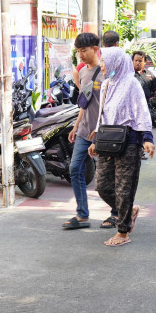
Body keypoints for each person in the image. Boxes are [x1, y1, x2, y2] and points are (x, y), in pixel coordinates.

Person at [88, 47, 155, 247]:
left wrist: (147, 138)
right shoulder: (107, 84)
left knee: (124, 189)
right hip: (108, 142)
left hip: (130, 142)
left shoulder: (132, 84)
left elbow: (142, 111)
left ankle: (123, 232)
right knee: (102, 186)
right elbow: (103, 115)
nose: (102, 65)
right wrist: (95, 140)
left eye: (104, 61)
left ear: (116, 62)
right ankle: (130, 210)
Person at [62, 33, 118, 230]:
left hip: (103, 133)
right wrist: (76, 126)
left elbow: (111, 106)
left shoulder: (107, 72)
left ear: (96, 49)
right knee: (75, 169)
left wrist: (100, 129)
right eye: (78, 52)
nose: (81, 55)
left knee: (106, 177)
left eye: (84, 51)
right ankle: (82, 214)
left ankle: (116, 213)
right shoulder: (82, 72)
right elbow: (85, 103)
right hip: (84, 131)